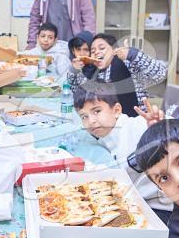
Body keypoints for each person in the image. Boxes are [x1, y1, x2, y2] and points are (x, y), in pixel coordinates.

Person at [73, 85, 171, 219]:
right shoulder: (104, 139)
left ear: (116, 110)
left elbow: (176, 135)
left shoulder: (139, 126)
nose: (91, 121)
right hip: (135, 202)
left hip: (162, 208)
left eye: (96, 111)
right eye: (84, 117)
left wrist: (160, 127)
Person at [85, 34, 168, 113]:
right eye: (93, 51)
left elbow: (160, 73)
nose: (96, 52)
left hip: (137, 118)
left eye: (102, 48)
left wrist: (132, 54)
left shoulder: (128, 63)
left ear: (114, 50)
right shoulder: (94, 73)